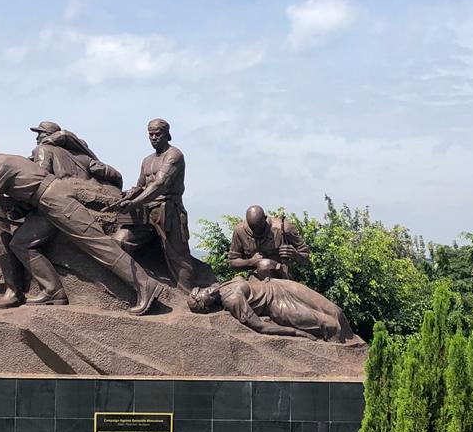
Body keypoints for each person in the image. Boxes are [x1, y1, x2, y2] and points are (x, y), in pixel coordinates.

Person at [0, 154, 163, 315]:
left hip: (55, 199)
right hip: (43, 205)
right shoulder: (4, 160)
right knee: (21, 243)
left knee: (98, 245)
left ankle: (145, 284)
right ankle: (52, 291)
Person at [108, 118, 206, 290]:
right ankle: (136, 289)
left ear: (167, 134)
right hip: (145, 214)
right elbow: (140, 186)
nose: (153, 138)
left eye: (157, 134)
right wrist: (128, 196)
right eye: (150, 135)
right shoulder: (147, 160)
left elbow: (160, 184)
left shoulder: (174, 155)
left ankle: (188, 297)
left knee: (179, 258)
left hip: (168, 211)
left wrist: (134, 202)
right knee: (120, 241)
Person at [187, 276, 359, 343]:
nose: (209, 291)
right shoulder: (232, 301)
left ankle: (354, 348)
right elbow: (260, 327)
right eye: (206, 296)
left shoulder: (222, 285)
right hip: (277, 305)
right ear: (208, 306)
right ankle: (337, 352)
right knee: (327, 324)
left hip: (279, 285)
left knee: (334, 310)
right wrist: (296, 332)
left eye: (203, 291)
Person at [28, 121, 123, 192]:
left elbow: (39, 178)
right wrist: (118, 185)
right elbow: (113, 174)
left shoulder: (43, 149)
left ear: (48, 135)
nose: (37, 138)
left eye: (39, 134)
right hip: (85, 196)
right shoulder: (83, 156)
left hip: (60, 198)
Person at [227, 205, 309, 280]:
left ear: (265, 218)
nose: (257, 232)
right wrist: (253, 262)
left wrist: (294, 254)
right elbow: (233, 263)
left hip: (282, 276)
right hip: (256, 277)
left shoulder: (283, 228)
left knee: (265, 265)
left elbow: (305, 258)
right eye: (253, 229)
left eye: (260, 227)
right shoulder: (239, 231)